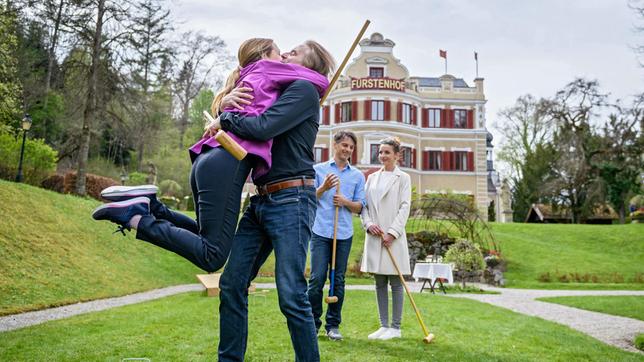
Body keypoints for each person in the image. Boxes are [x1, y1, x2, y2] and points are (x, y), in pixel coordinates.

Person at [90, 38, 329, 274]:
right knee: (212, 255)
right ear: (265, 56)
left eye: (292, 53)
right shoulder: (274, 73)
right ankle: (135, 218)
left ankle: (152, 206)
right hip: (227, 161)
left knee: (204, 236)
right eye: (282, 52)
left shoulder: (258, 77)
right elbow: (272, 117)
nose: (285, 56)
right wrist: (322, 83)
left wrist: (223, 109)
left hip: (208, 159)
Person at [210, 41, 335, 362]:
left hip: (292, 198)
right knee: (232, 282)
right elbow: (249, 108)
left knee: (292, 294)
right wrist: (227, 100)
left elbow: (264, 127)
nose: (285, 55)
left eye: (294, 52)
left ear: (310, 64)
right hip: (261, 199)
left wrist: (225, 118)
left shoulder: (304, 90)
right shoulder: (279, 89)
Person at [306, 130, 365, 341]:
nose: (347, 150)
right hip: (321, 231)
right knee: (317, 278)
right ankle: (312, 323)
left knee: (338, 281)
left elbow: (359, 207)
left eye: (351, 147)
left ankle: (333, 326)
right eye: (345, 145)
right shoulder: (318, 170)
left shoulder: (357, 175)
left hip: (343, 234)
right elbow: (309, 197)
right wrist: (324, 187)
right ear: (335, 145)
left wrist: (345, 202)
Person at [360, 137, 412, 341]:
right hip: (375, 235)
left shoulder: (403, 178)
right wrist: (368, 224)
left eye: (387, 152)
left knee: (396, 283)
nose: (382, 155)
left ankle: (396, 327)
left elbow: (405, 207)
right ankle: (383, 326)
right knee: (379, 281)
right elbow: (363, 205)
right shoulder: (372, 178)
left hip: (393, 237)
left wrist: (392, 232)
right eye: (380, 152)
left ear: (397, 155)